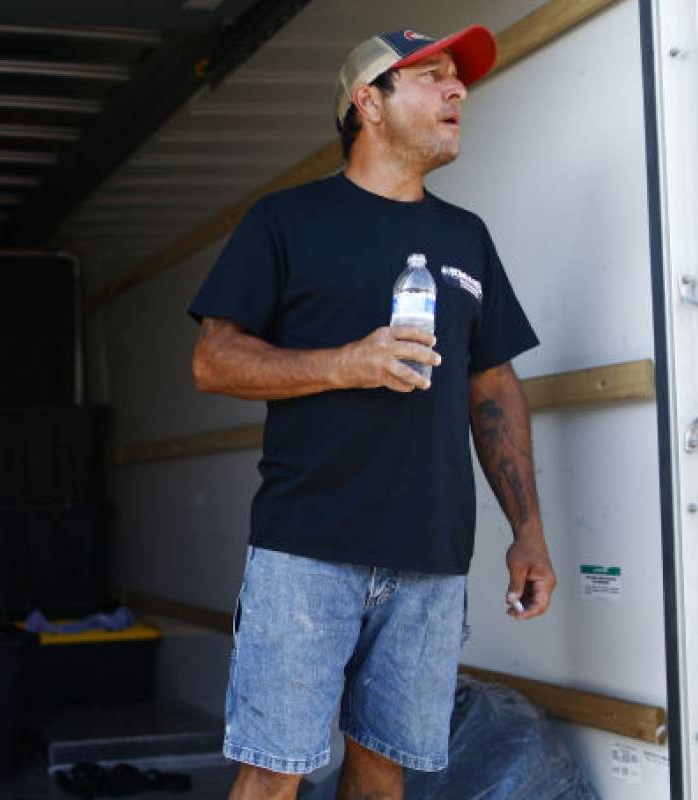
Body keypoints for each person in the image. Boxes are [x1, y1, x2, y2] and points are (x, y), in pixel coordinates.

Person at [186, 25, 558, 800]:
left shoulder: (467, 238)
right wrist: (343, 364)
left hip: (430, 553)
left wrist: (528, 530)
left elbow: (492, 387)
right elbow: (212, 359)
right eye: (431, 77)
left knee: (382, 768)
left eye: (459, 79)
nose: (457, 91)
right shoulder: (285, 222)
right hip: (305, 550)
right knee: (274, 769)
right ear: (369, 103)